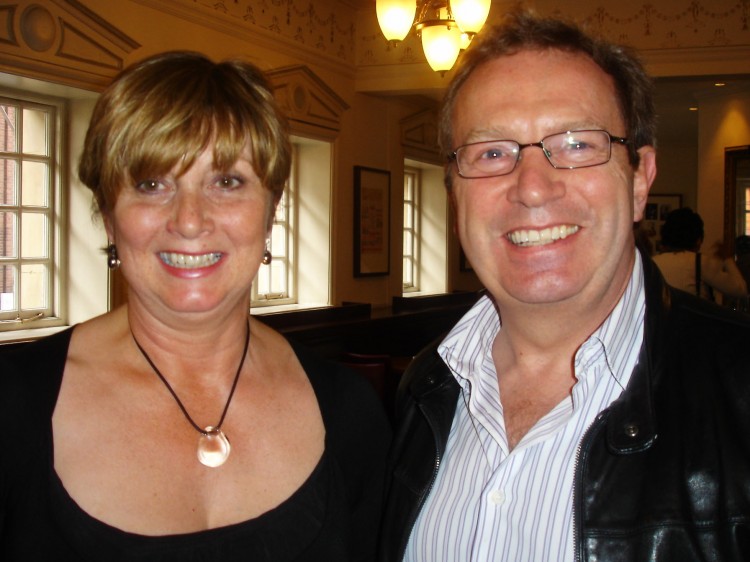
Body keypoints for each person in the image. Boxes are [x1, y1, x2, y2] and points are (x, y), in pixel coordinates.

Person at [379, 9, 750, 562]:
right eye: (492, 152)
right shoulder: (426, 387)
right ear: (455, 191)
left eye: (577, 144)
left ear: (640, 178)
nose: (531, 187)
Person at [0, 51, 390, 561]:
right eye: (151, 183)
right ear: (108, 214)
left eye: (226, 182)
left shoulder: (350, 413)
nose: (189, 220)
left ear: (271, 211)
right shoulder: (13, 405)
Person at [653, 207, 747, 300]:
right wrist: (727, 259)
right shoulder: (700, 262)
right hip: (693, 314)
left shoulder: (653, 262)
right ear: (698, 239)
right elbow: (740, 290)